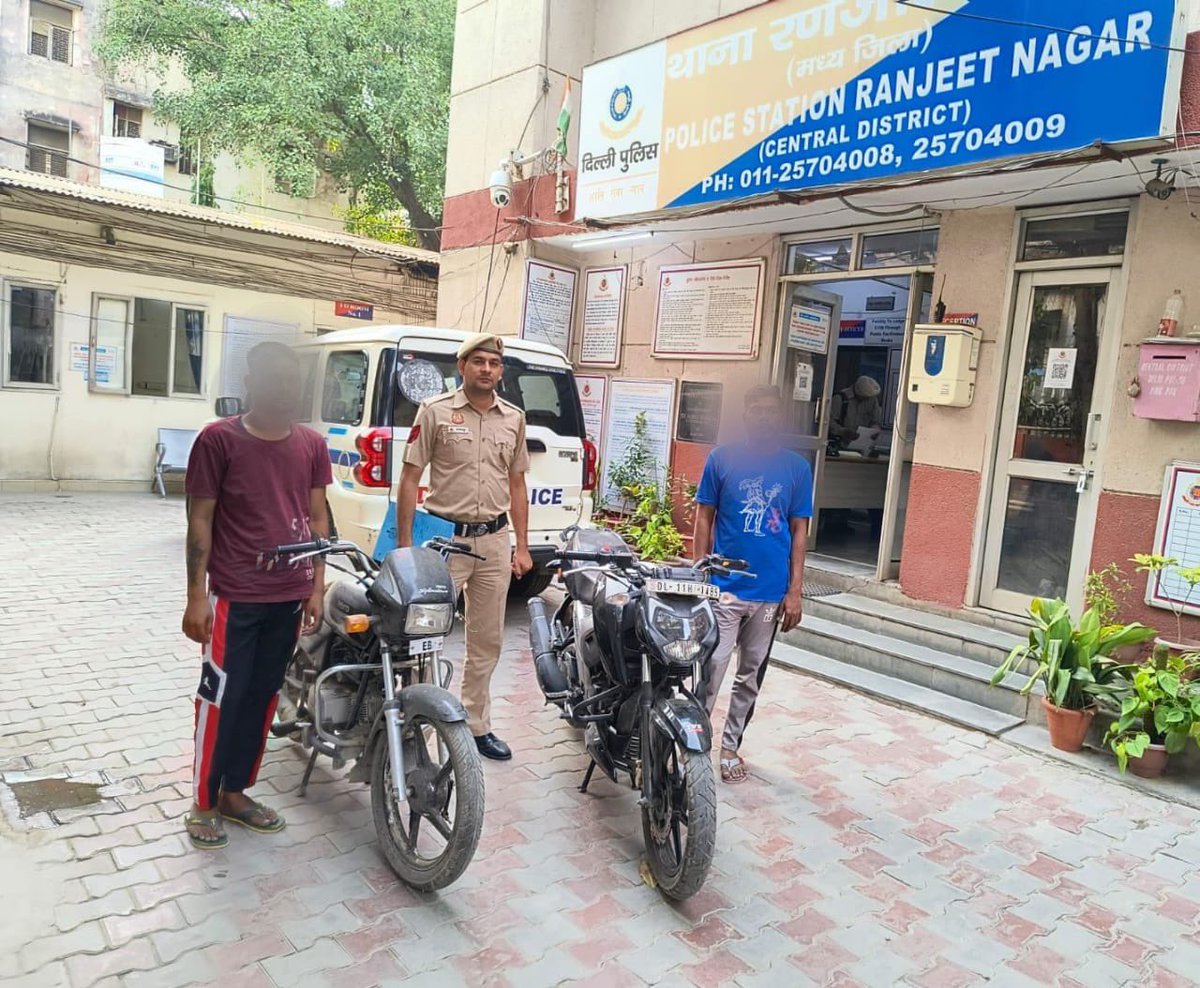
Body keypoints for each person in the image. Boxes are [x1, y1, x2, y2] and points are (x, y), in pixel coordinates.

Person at [181, 341, 332, 849]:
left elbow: (317, 518)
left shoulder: (311, 444)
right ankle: (204, 800)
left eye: (292, 380)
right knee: (222, 697)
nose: (285, 389)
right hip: (234, 595)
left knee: (263, 696)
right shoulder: (218, 441)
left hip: (286, 596)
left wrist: (316, 584)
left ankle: (236, 793)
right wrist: (195, 597)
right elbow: (199, 519)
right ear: (252, 383)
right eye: (273, 378)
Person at [395, 333, 533, 761]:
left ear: (500, 371)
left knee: (486, 641)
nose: (487, 369)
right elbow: (409, 479)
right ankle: (416, 720)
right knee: (423, 635)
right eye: (479, 362)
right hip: (443, 542)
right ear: (462, 366)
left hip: (493, 543)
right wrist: (404, 549)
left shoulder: (513, 418)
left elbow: (517, 485)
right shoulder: (435, 412)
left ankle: (476, 725)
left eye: (494, 363)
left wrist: (522, 547)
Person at [694, 385, 812, 784]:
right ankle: (692, 743)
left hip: (770, 593)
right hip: (725, 588)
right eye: (756, 410)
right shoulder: (721, 459)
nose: (764, 417)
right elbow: (704, 518)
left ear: (780, 417)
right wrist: (701, 574)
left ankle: (729, 748)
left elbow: (799, 530)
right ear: (745, 415)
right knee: (711, 667)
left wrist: (794, 591)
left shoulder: (796, 468)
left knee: (750, 675)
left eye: (771, 411)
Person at [830, 374, 883, 445]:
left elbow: (875, 420)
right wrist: (843, 431)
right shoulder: (840, 398)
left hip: (863, 444)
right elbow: (829, 423)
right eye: (865, 397)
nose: (867, 399)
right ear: (858, 392)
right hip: (840, 442)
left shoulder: (872, 400)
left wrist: (874, 430)